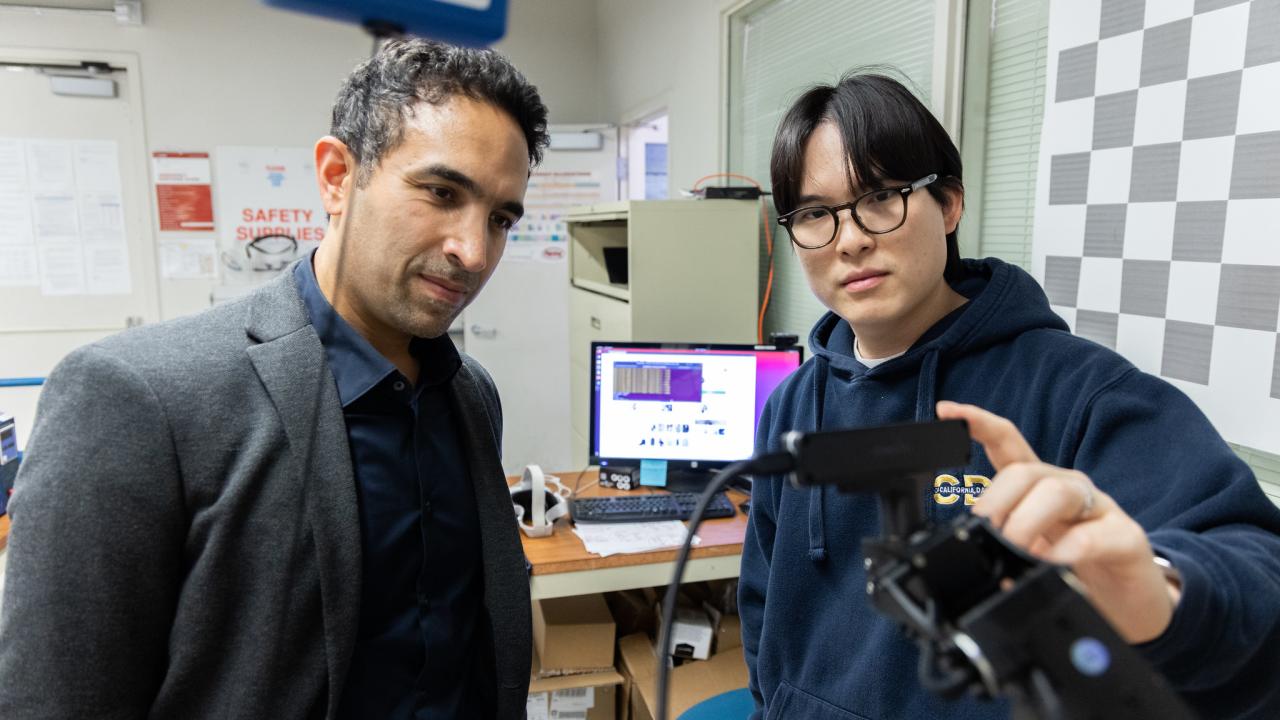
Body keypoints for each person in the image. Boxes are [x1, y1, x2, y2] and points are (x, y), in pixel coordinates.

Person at [0, 39, 548, 720]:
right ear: (337, 177)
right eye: (441, 193)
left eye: (499, 219)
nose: (473, 251)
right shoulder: (134, 399)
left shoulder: (471, 395)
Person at [738, 72, 1280, 720]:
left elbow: (1253, 566)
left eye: (880, 197)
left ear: (949, 204)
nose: (850, 238)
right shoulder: (792, 405)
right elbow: (762, 607)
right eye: (814, 214)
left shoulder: (1081, 394)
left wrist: (1164, 596)